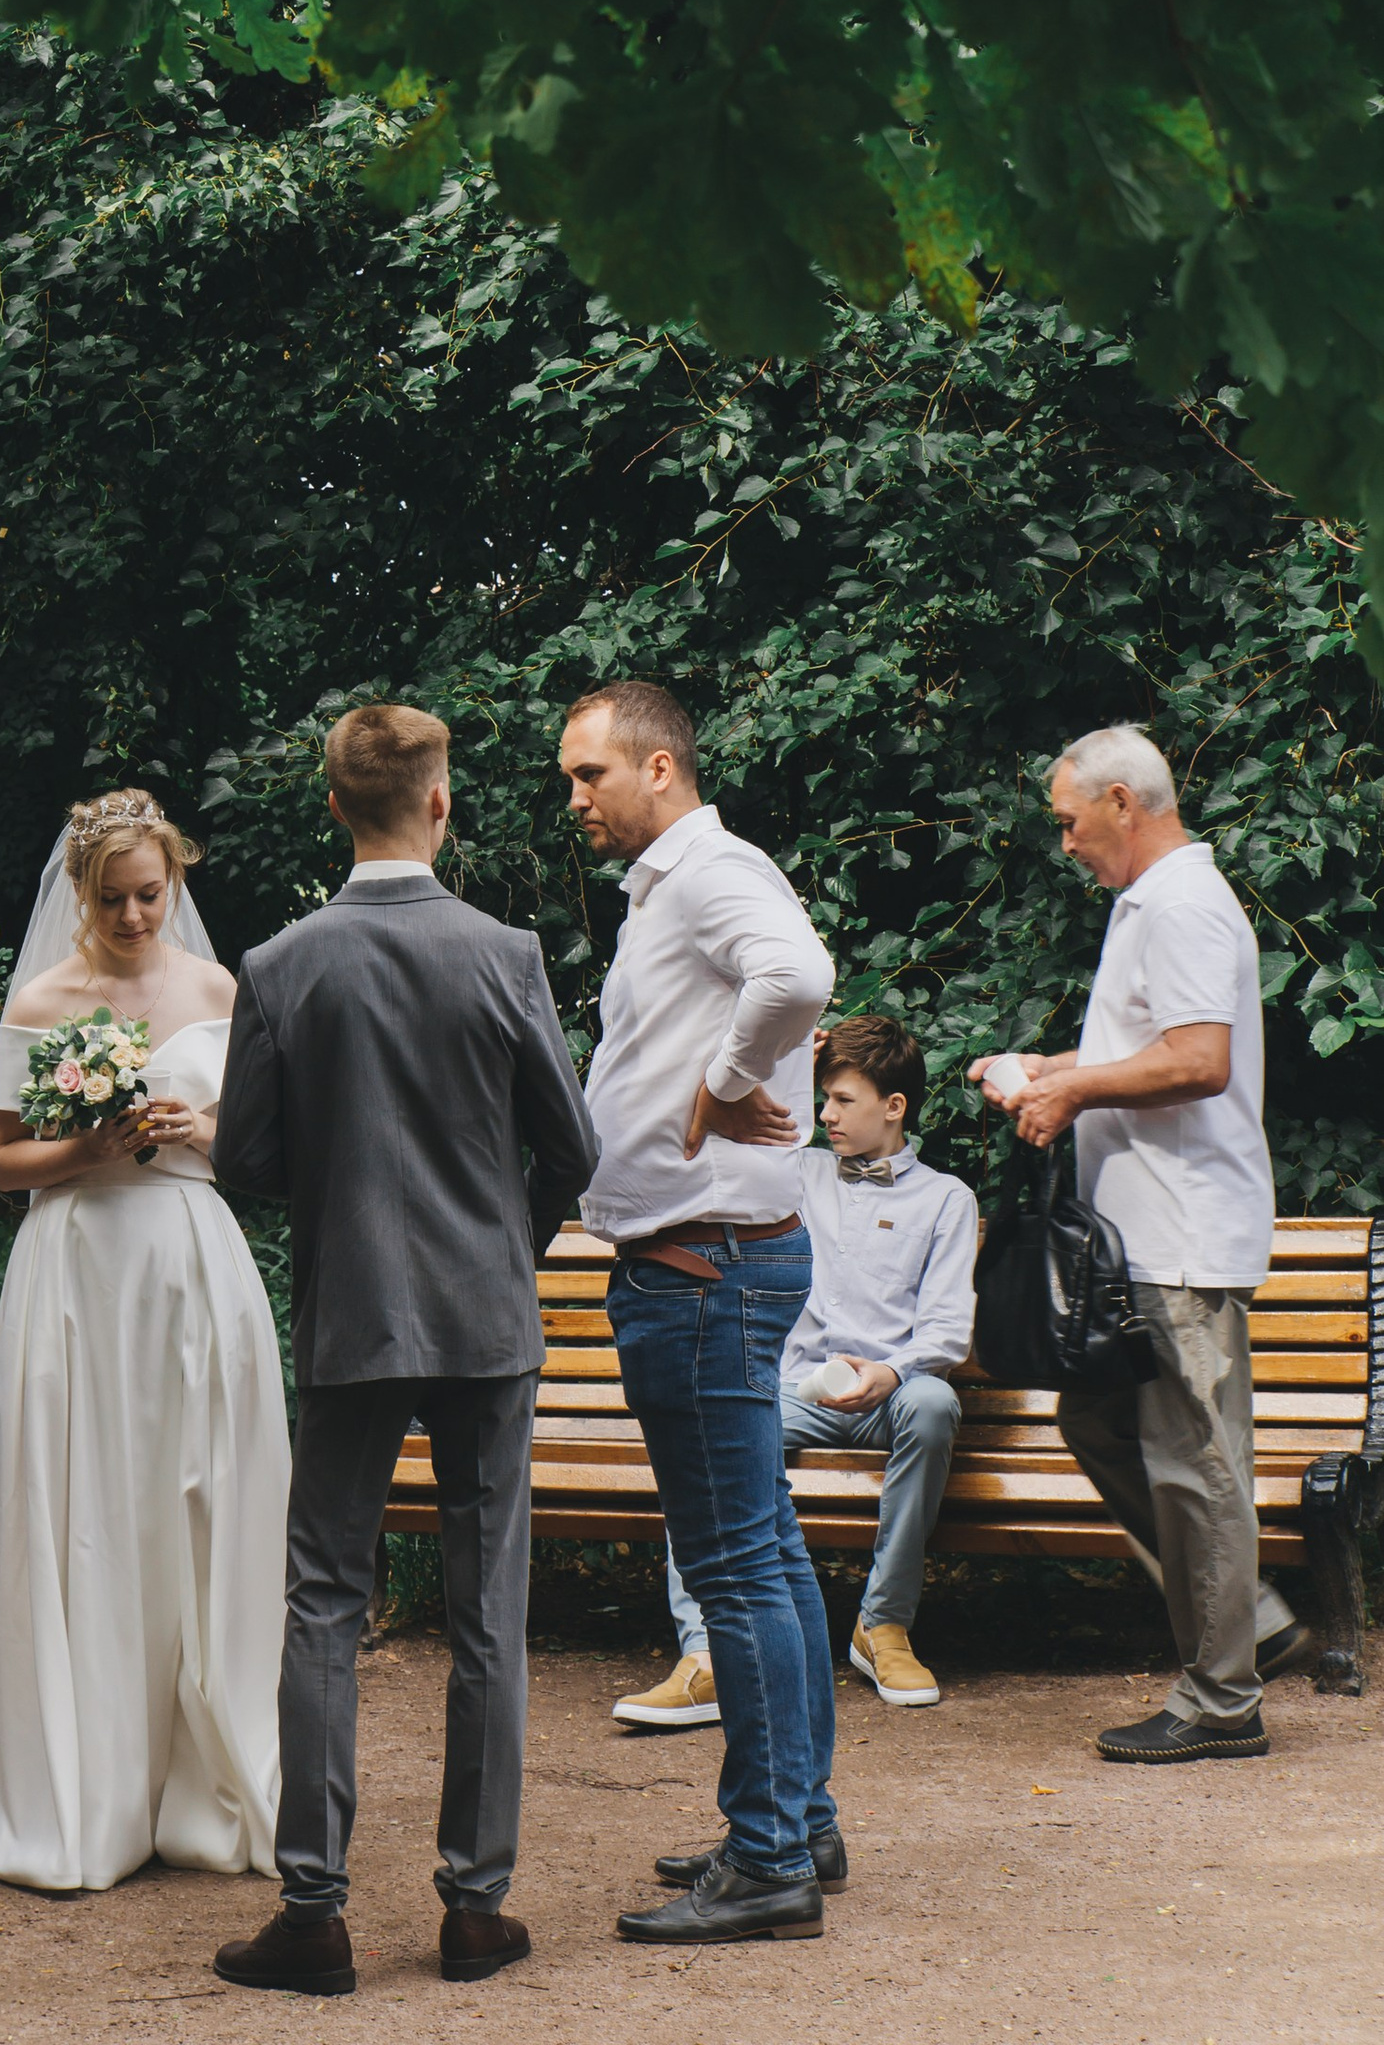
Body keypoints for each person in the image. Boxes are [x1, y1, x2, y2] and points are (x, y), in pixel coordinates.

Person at [208, 701, 595, 1998]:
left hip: (354, 1314)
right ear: (438, 804)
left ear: (335, 808)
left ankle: (312, 1911)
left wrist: (346, 1211)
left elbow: (246, 1156)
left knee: (323, 1600)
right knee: (489, 1605)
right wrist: (500, 1243)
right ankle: (475, 1908)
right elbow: (573, 1147)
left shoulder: (282, 963)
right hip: (487, 1319)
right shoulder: (505, 954)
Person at [0, 788, 288, 1892]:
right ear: (77, 892)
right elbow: (0, 1161)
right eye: (114, 897)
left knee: (196, 1501)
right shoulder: (43, 998)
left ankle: (201, 1778)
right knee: (81, 1508)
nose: (135, 916)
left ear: (175, 880)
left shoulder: (218, 988)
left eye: (151, 893)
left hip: (186, 1264)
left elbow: (256, 1153)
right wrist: (87, 1147)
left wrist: (196, 1130)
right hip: (76, 1270)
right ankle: (85, 1781)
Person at [561, 677, 839, 1948]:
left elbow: (798, 973)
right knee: (766, 1552)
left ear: (658, 769)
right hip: (716, 1258)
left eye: (588, 775)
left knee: (733, 1561)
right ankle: (795, 1817)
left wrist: (725, 1084)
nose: (575, 799)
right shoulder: (683, 883)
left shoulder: (711, 870)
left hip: (703, 1267)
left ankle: (771, 1855)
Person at [972, 723, 1294, 1765]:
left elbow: (1198, 1060)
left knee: (1194, 1462)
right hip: (1144, 1239)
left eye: (1067, 820)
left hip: (1184, 1237)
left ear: (1121, 801)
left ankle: (1220, 1699)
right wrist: (1046, 1064)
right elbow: (1143, 1050)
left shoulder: (1187, 903)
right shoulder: (1146, 906)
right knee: (1100, 1423)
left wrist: (1069, 1089)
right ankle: (1249, 1616)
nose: (1062, 841)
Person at [636, 1013, 976, 1731]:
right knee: (703, 1425)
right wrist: (782, 1057)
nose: (826, 1114)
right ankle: (706, 1655)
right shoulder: (799, 1169)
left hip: (891, 1394)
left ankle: (881, 1627)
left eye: (843, 1101)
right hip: (793, 1390)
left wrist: (891, 1371)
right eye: (823, 1098)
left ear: (894, 1107)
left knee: (936, 1402)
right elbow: (712, 1135)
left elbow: (946, 1332)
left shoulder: (946, 1199)